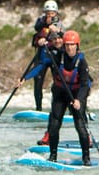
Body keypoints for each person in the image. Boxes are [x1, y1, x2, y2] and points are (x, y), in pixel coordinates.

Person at [19, 30, 92, 165]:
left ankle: (86, 158)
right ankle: (53, 156)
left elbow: (85, 85)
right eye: (67, 45)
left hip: (76, 95)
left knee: (80, 127)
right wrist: (25, 78)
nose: (69, 48)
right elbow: (41, 65)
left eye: (72, 45)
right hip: (60, 94)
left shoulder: (82, 62)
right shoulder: (58, 56)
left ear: (77, 45)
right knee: (54, 125)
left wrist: (79, 100)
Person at [30, 0, 64, 113]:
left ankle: (56, 107)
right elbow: (37, 27)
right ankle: (38, 107)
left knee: (58, 82)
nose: (50, 15)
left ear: (56, 13)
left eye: (52, 13)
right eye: (48, 13)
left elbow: (62, 38)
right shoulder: (41, 21)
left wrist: (57, 31)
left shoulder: (58, 23)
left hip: (54, 55)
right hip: (41, 55)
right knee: (38, 80)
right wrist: (46, 24)